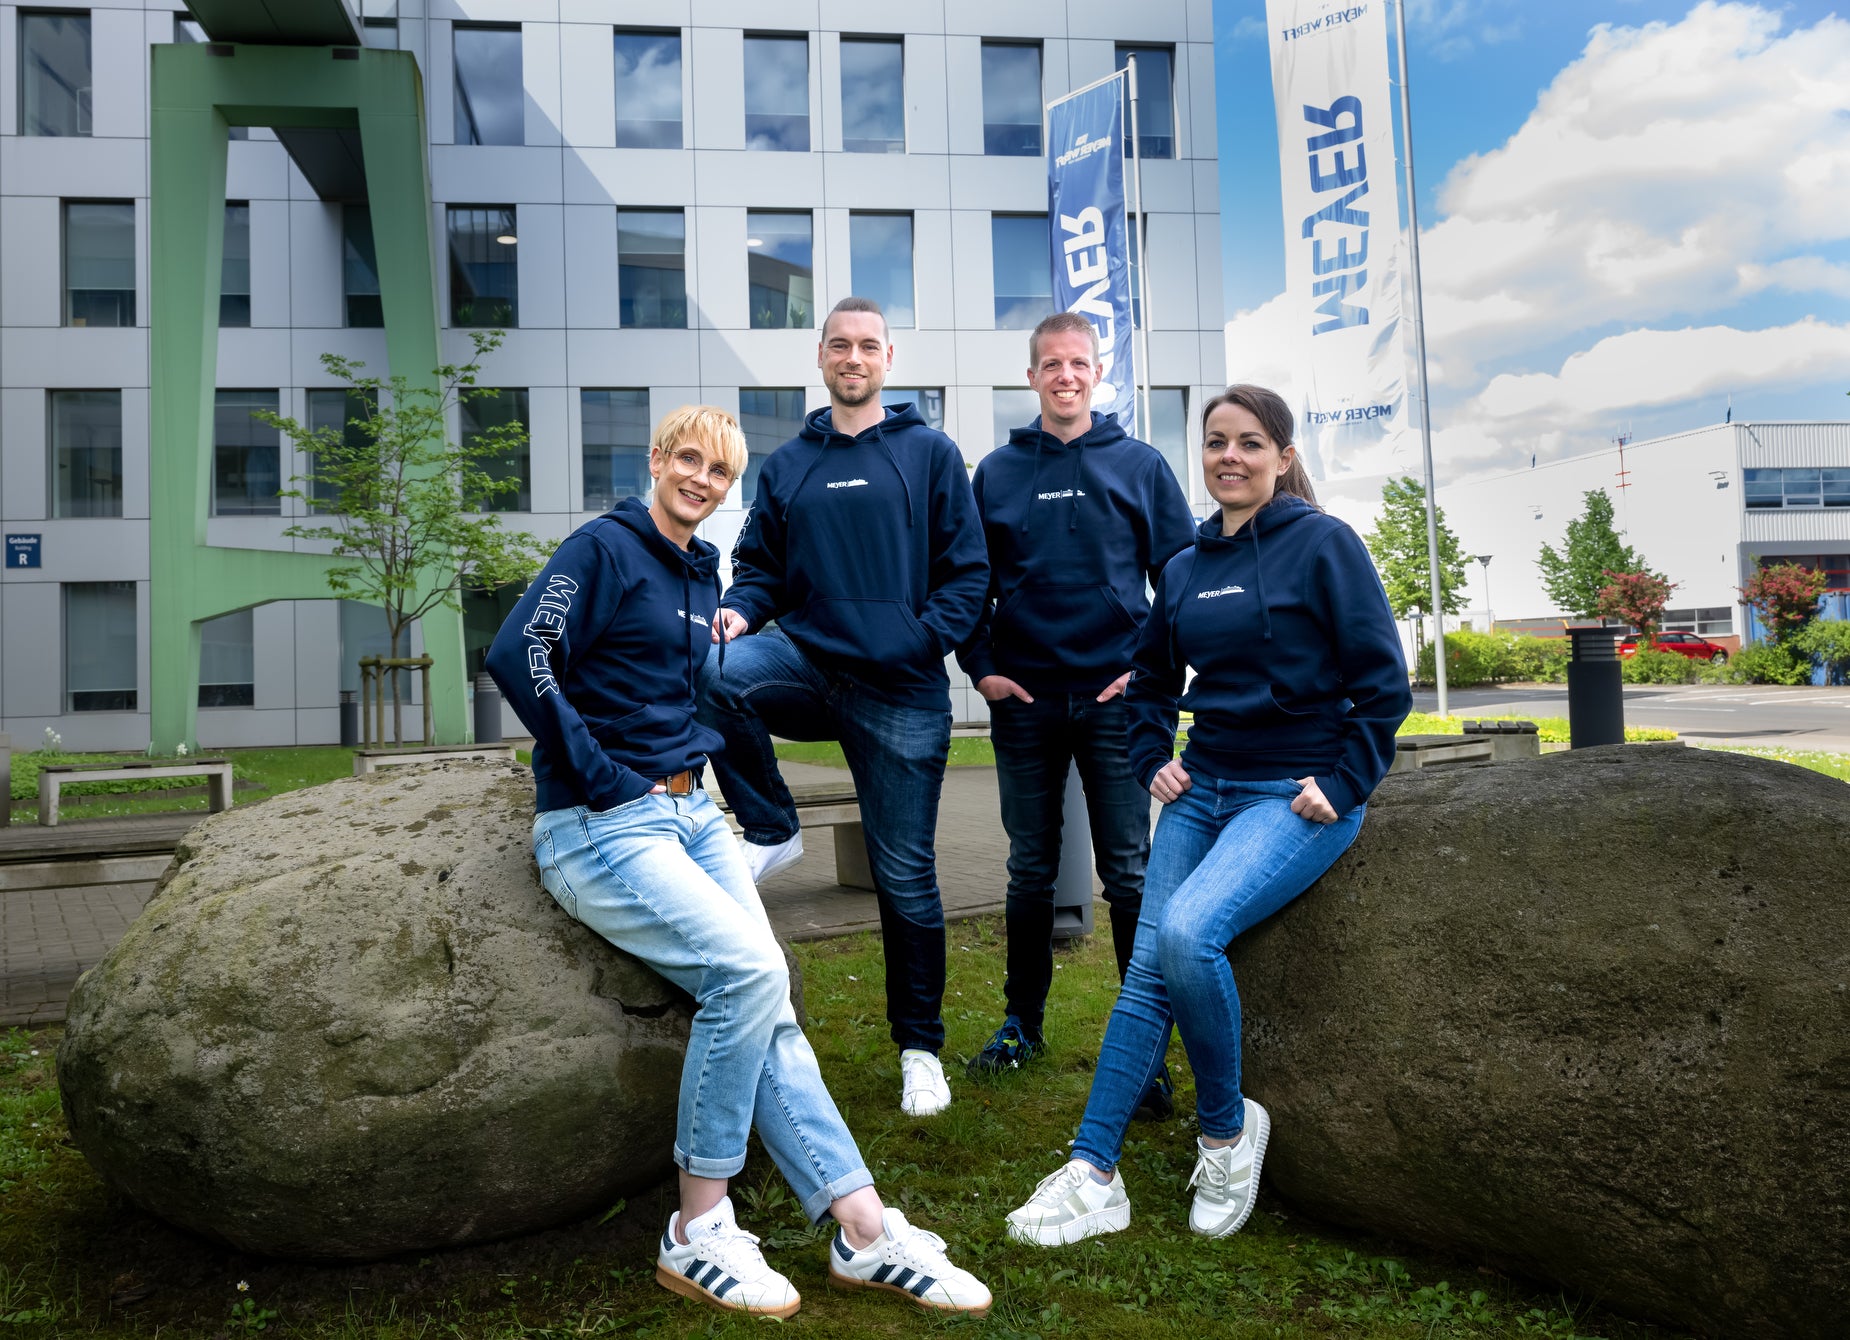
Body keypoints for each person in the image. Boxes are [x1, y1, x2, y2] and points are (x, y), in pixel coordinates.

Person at [485, 406, 991, 1319]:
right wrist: (600, 776)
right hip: (603, 824)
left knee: (769, 998)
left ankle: (864, 1229)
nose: (701, 480)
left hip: (692, 815)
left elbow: (677, 692)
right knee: (748, 973)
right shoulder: (603, 548)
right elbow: (519, 652)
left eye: (719, 472)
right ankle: (698, 1227)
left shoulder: (699, 568)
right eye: (688, 459)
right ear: (656, 460)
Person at [1002, 384, 1412, 1246]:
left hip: (1292, 795)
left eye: (1250, 442)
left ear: (1283, 458)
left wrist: (1346, 781)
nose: (1231, 456)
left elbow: (1383, 682)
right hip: (1204, 789)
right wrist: (1152, 756)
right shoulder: (1187, 567)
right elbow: (1149, 678)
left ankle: (1226, 1134)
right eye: (1217, 441)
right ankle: (1092, 1173)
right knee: (1147, 974)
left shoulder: (1325, 544)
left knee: (1186, 936)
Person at [699, 298, 989, 1119]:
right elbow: (759, 568)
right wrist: (739, 611)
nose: (853, 357)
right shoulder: (790, 463)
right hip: (809, 663)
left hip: (901, 686)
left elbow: (968, 572)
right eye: (839, 345)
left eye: (867, 345)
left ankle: (919, 1050)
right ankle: (772, 826)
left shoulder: (930, 453)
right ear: (821, 357)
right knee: (713, 671)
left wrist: (919, 640)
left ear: (888, 358)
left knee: (905, 875)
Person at [958, 311, 1194, 1101]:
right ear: (1031, 377)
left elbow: (1181, 583)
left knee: (1128, 872)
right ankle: (1020, 1025)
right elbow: (968, 583)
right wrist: (983, 669)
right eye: (1051, 364)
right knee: (1029, 870)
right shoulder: (997, 473)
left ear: (1098, 372)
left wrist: (1148, 675)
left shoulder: (1141, 465)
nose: (1066, 376)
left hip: (1115, 703)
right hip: (1024, 700)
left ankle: (1145, 1051)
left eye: (1079, 363)